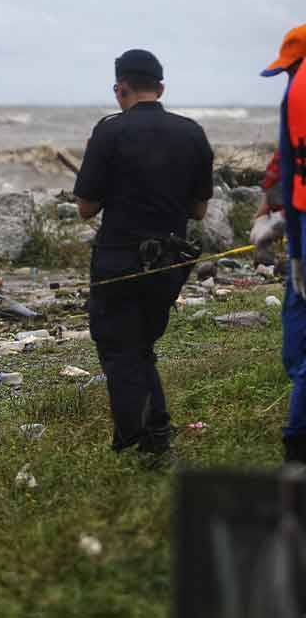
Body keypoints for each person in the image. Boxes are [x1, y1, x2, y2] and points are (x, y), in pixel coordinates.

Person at [74, 49, 214, 465]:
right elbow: (199, 210)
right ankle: (153, 433)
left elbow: (85, 207)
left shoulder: (109, 131)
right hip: (170, 263)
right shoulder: (192, 133)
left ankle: (144, 440)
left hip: (119, 259)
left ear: (120, 88)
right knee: (140, 345)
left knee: (118, 347)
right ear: (162, 88)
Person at [260, 23, 306, 464]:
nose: (289, 78)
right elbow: (284, 158)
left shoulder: (297, 94)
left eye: (290, 69)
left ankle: (297, 440)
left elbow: (287, 161)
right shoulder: (296, 98)